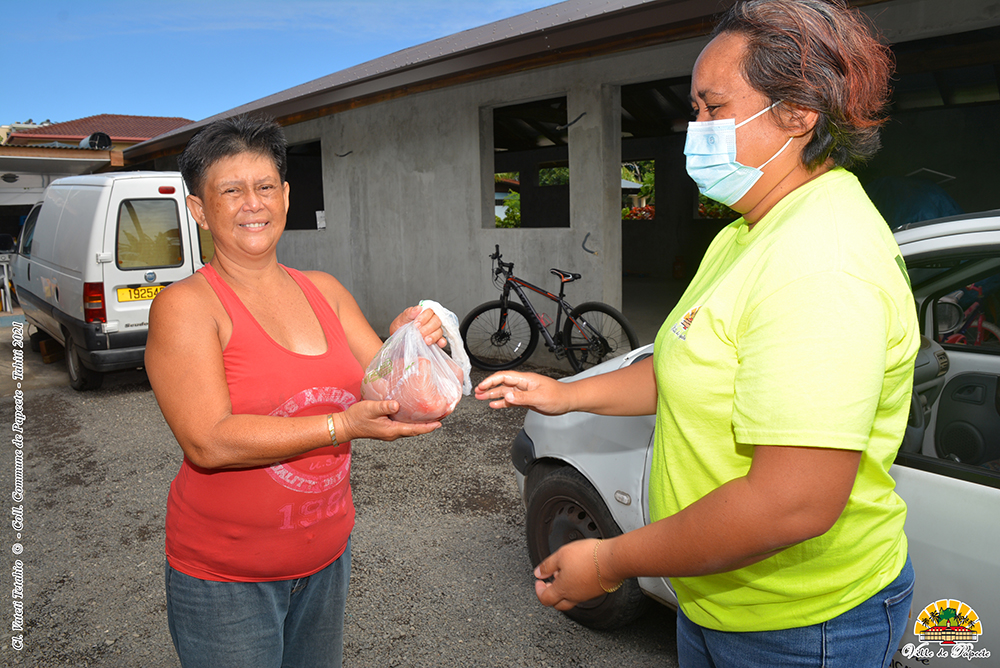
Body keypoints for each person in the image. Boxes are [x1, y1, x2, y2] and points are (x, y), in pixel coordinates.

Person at [476, 1, 919, 666]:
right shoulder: (747, 232)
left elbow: (789, 505)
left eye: (714, 108)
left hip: (799, 625)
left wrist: (609, 560)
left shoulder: (819, 262)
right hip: (715, 597)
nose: (696, 130)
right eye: (695, 110)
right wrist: (566, 394)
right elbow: (687, 364)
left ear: (799, 113)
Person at [145, 115, 445, 668]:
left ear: (285, 196)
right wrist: (340, 426)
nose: (252, 203)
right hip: (227, 580)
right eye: (230, 191)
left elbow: (396, 396)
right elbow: (208, 441)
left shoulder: (325, 291)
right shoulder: (185, 307)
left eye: (264, 187)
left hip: (326, 560)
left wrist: (411, 342)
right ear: (199, 210)